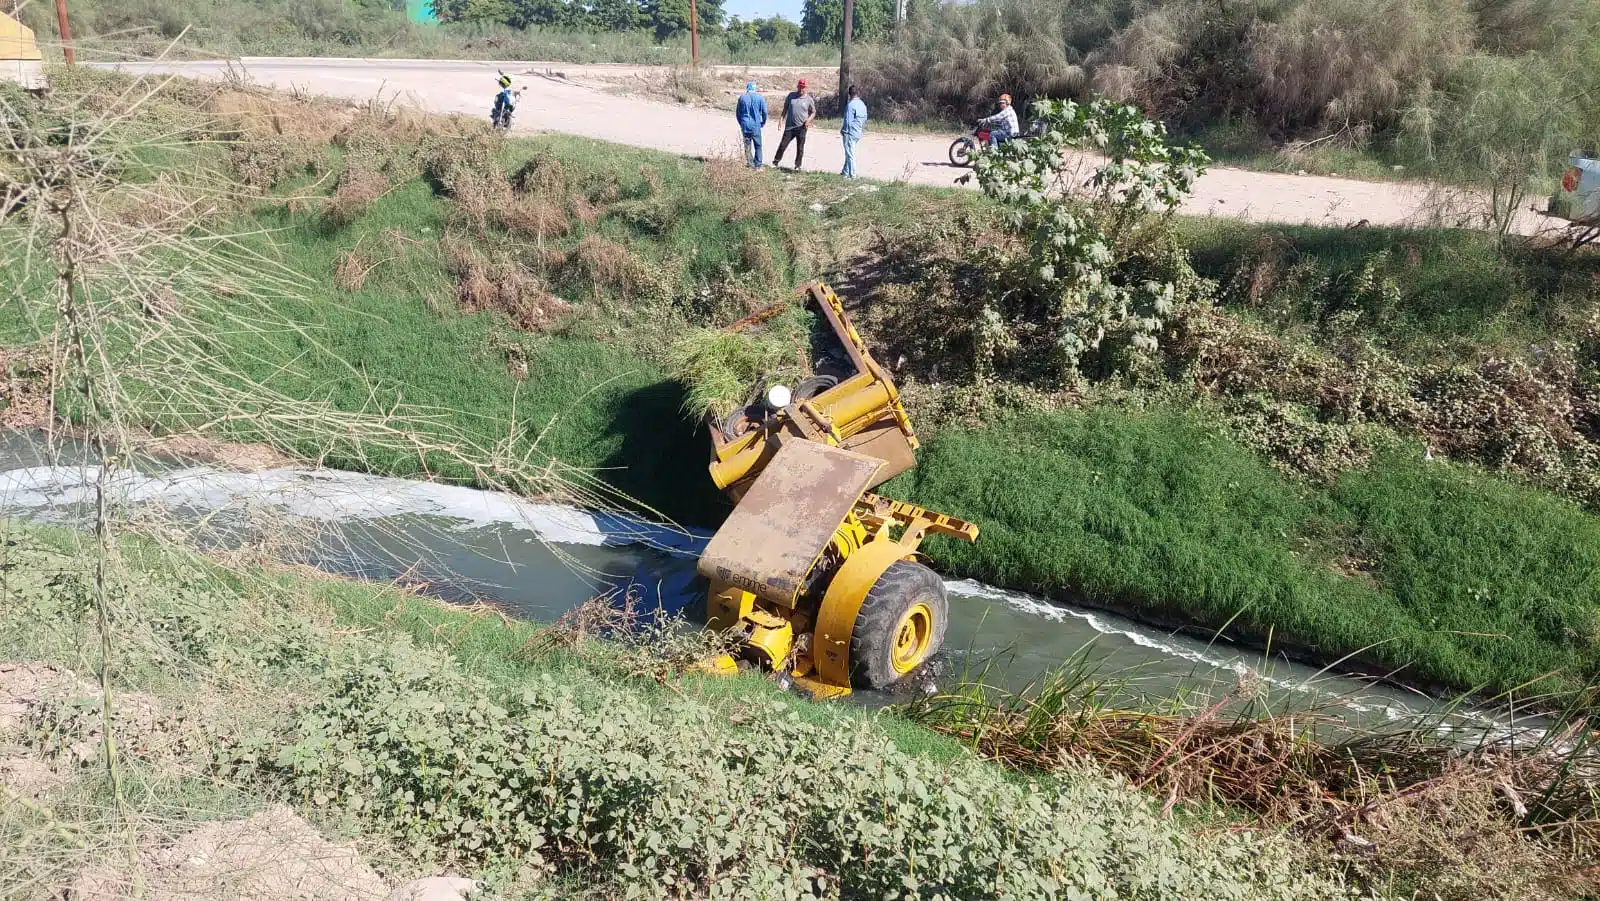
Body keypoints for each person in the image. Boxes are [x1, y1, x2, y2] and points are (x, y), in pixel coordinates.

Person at [772, 78, 816, 171]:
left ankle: (797, 165)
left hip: (802, 127)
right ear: (797, 87)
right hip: (790, 126)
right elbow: (785, 108)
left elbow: (813, 112)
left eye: (803, 88)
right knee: (783, 145)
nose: (801, 89)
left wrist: (808, 120)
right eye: (800, 87)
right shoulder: (791, 96)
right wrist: (781, 119)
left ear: (806, 88)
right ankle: (776, 161)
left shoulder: (809, 99)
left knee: (800, 147)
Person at [735, 82, 768, 168]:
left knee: (747, 145)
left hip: (745, 124)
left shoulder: (742, 98)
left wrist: (741, 123)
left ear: (747, 88)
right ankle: (758, 165)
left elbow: (738, 113)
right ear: (755, 89)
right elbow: (764, 112)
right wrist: (763, 122)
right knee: (758, 145)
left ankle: (750, 163)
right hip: (756, 125)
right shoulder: (760, 98)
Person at [840, 85, 867, 179]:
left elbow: (848, 120)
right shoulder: (862, 104)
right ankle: (845, 172)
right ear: (857, 93)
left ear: (849, 94)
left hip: (850, 132)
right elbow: (865, 118)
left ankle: (852, 175)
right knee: (849, 153)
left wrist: (844, 131)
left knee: (850, 154)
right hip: (858, 132)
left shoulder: (850, 105)